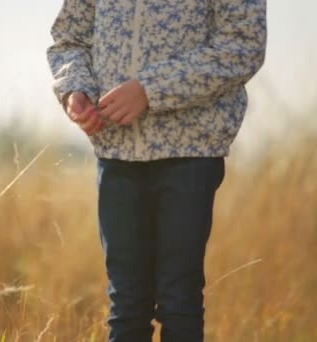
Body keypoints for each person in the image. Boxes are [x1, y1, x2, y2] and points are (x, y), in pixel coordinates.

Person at [46, 0, 266, 341]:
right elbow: (70, 39)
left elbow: (242, 44)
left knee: (179, 304)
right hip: (116, 152)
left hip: (190, 151)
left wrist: (150, 90)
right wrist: (75, 89)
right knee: (126, 309)